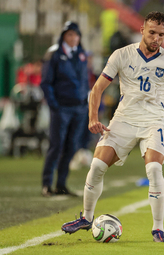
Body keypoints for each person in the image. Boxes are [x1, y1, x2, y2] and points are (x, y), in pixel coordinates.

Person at [61, 11, 164, 242]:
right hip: (123, 120)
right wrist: (93, 118)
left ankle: (158, 229)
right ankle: (87, 218)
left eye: (161, 35)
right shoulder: (121, 55)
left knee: (154, 170)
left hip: (154, 122)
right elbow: (97, 89)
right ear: (142, 30)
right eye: (152, 32)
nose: (156, 38)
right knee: (96, 166)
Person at [40, 21, 89, 197]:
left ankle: (61, 184)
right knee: (56, 146)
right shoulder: (53, 54)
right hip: (62, 108)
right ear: (63, 36)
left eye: (76, 35)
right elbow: (46, 82)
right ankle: (46, 184)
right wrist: (54, 105)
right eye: (70, 34)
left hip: (79, 108)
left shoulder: (81, 54)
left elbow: (84, 81)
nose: (74, 38)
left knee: (71, 147)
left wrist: (85, 103)